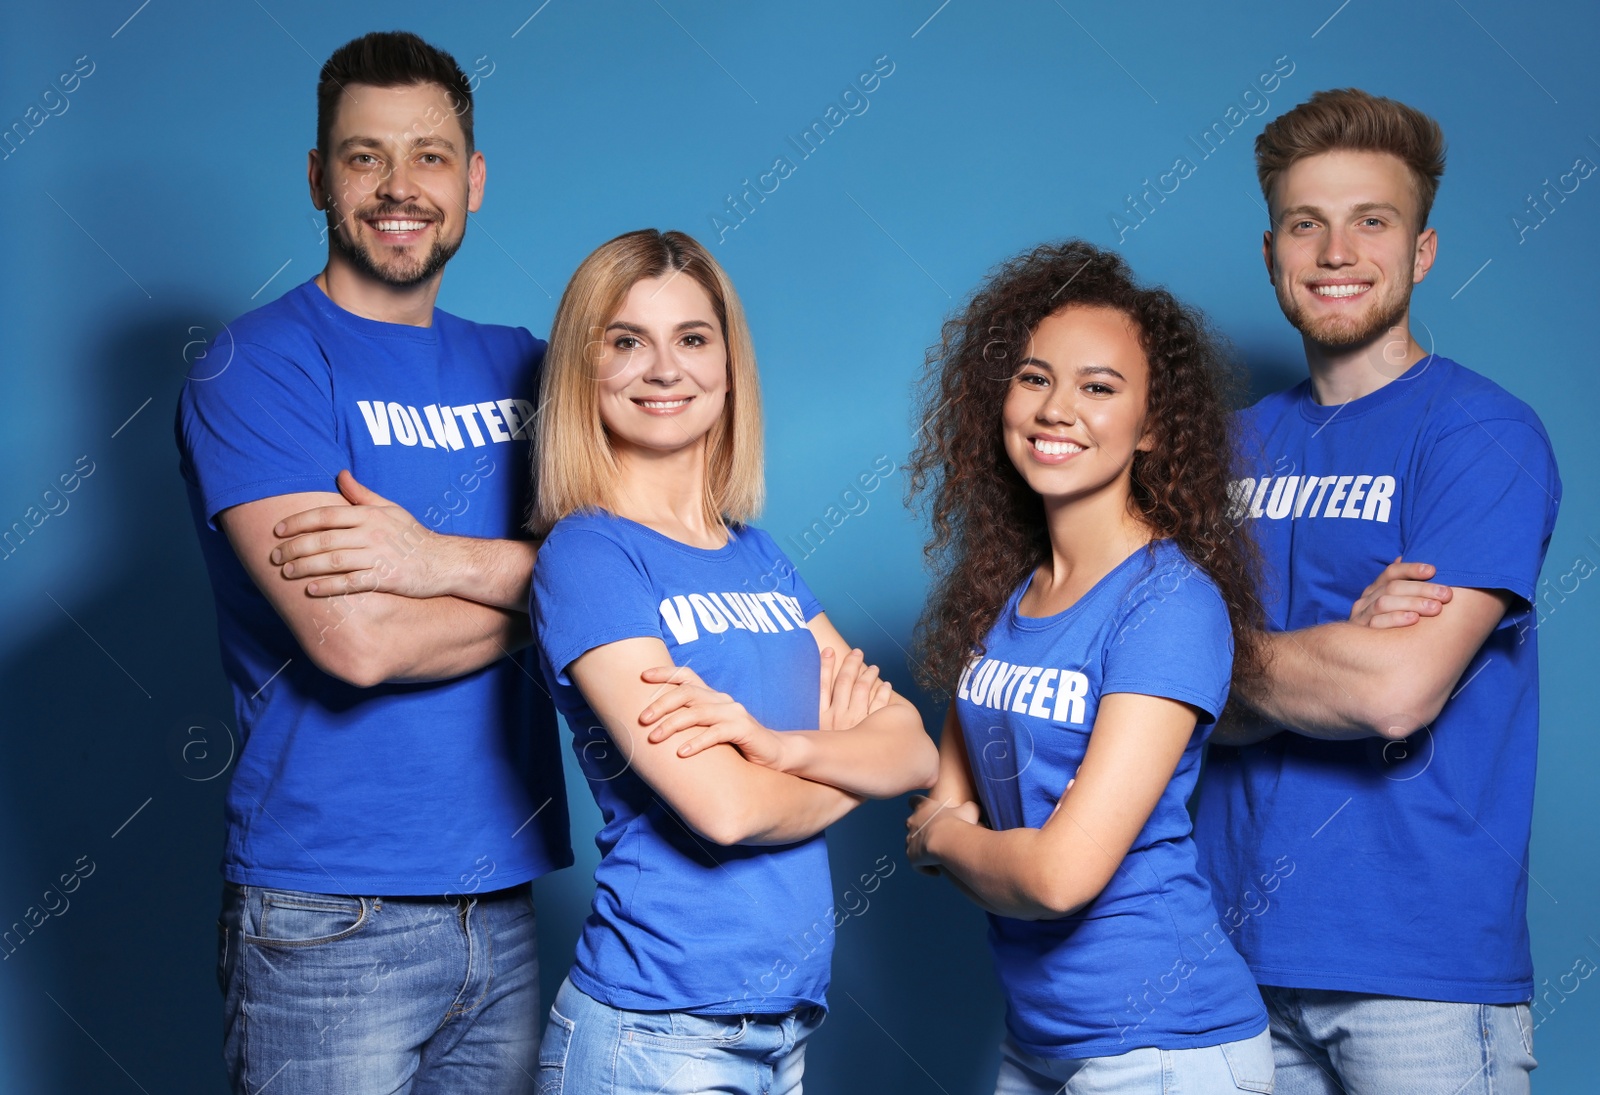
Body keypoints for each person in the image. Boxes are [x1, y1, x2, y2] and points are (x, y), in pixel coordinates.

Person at [176, 31, 570, 1093]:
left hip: (507, 896)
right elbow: (355, 641)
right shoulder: (255, 365)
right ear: (317, 176)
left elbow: (652, 564)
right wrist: (559, 592)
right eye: (364, 157)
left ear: (474, 179)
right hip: (327, 915)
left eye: (431, 156)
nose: (401, 189)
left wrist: (428, 558)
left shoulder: (530, 364)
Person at [1194, 88, 1561, 1094]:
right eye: (1304, 224)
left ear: (1422, 250)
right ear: (1271, 253)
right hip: (1226, 963)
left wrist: (1237, 667)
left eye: (1371, 220)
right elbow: (1165, 701)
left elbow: (1394, 691)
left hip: (1418, 972)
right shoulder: (1221, 449)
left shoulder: (1480, 436)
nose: (1335, 250)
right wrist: (1328, 651)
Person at [527, 228, 938, 1095]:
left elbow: (916, 746)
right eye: (627, 340)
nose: (664, 368)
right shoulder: (589, 558)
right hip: (654, 1036)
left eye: (692, 338)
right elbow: (722, 808)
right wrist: (843, 759)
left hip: (783, 1030)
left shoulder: (759, 555)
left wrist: (780, 749)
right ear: (582, 367)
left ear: (727, 363)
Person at [904, 239, 1275, 1093]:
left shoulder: (1168, 606)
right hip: (1038, 1040)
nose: (1055, 408)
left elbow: (1055, 873)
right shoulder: (1002, 595)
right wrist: (979, 838)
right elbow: (953, 797)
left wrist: (954, 838)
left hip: (1167, 1049)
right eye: (1035, 378)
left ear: (1152, 427)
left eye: (1098, 387)